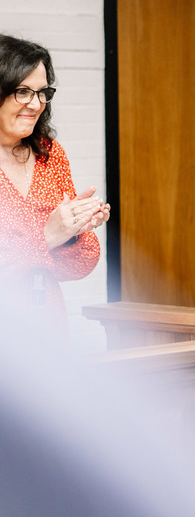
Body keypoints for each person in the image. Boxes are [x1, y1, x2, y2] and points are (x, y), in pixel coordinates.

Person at [0, 34, 110, 331]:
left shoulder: (50, 155)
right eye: (23, 91)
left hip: (46, 331)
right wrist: (47, 238)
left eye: (42, 92)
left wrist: (74, 231)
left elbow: (80, 264)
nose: (35, 104)